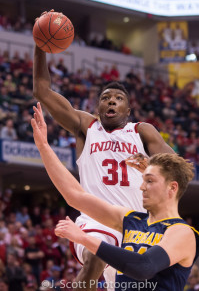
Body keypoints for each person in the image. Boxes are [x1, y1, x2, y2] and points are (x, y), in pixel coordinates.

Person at [33, 24, 174, 289]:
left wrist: (150, 166)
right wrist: (40, 46)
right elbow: (42, 92)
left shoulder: (142, 131)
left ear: (128, 109)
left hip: (136, 226)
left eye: (118, 98)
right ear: (98, 106)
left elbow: (179, 171)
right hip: (96, 219)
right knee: (95, 257)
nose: (111, 101)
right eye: (106, 97)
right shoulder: (86, 127)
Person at [31, 104, 199, 291]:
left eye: (150, 181)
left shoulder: (182, 232)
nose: (141, 187)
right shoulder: (131, 220)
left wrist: (85, 239)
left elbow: (144, 267)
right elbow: (75, 196)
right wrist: (43, 147)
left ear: (172, 187)